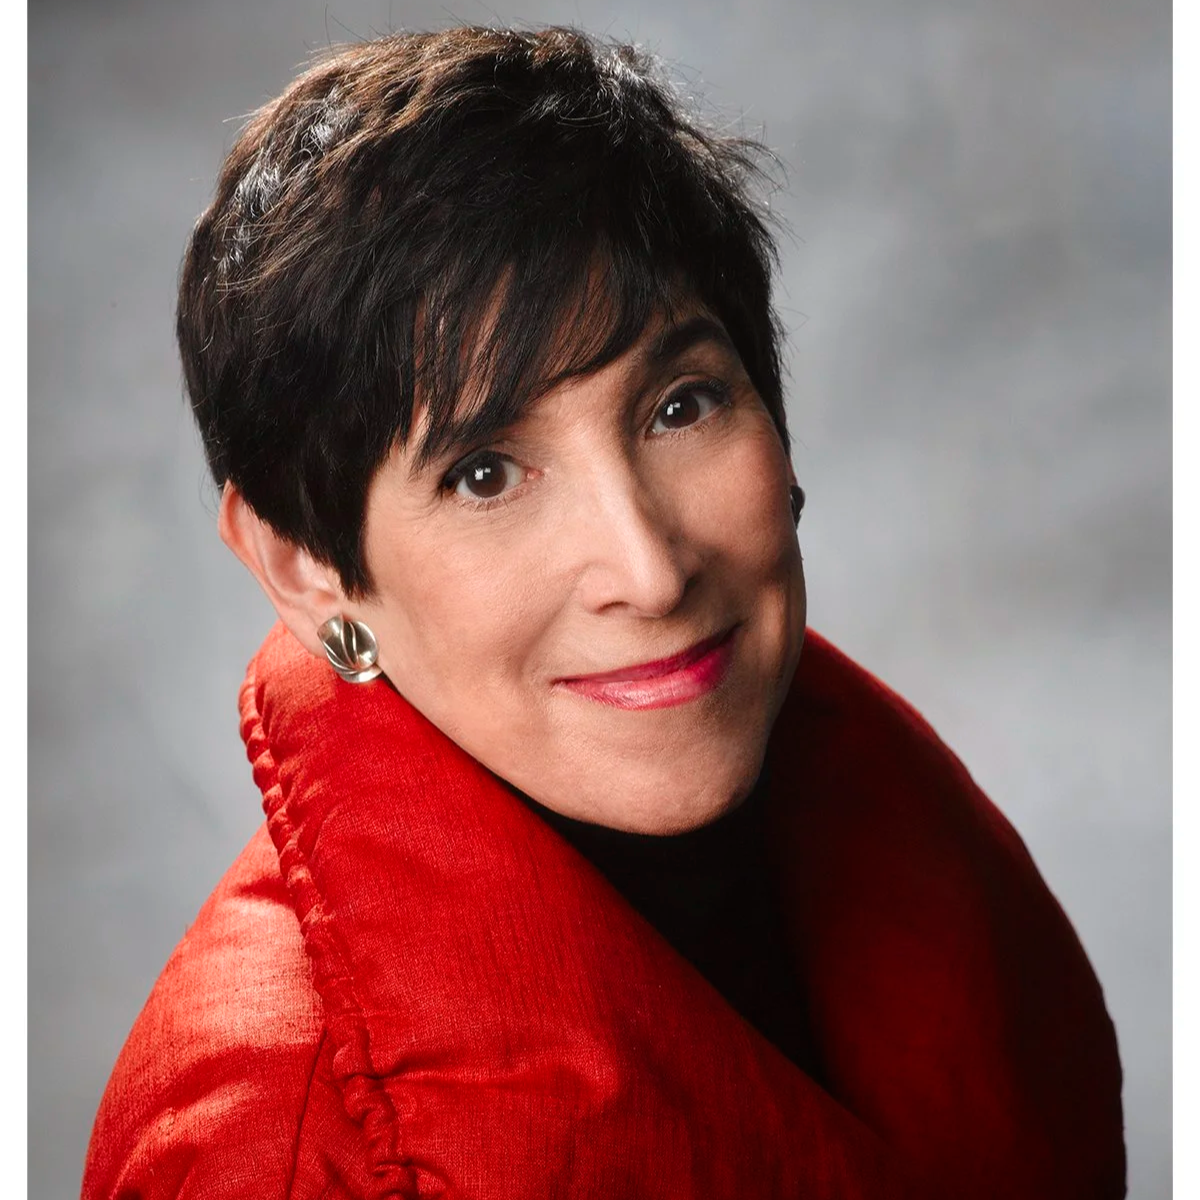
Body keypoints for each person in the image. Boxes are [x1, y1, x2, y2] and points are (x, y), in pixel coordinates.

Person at [81, 25, 1126, 1200]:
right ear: (306, 566)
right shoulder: (272, 1154)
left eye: (682, 406)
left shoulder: (922, 859)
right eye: (485, 473)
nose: (650, 569)